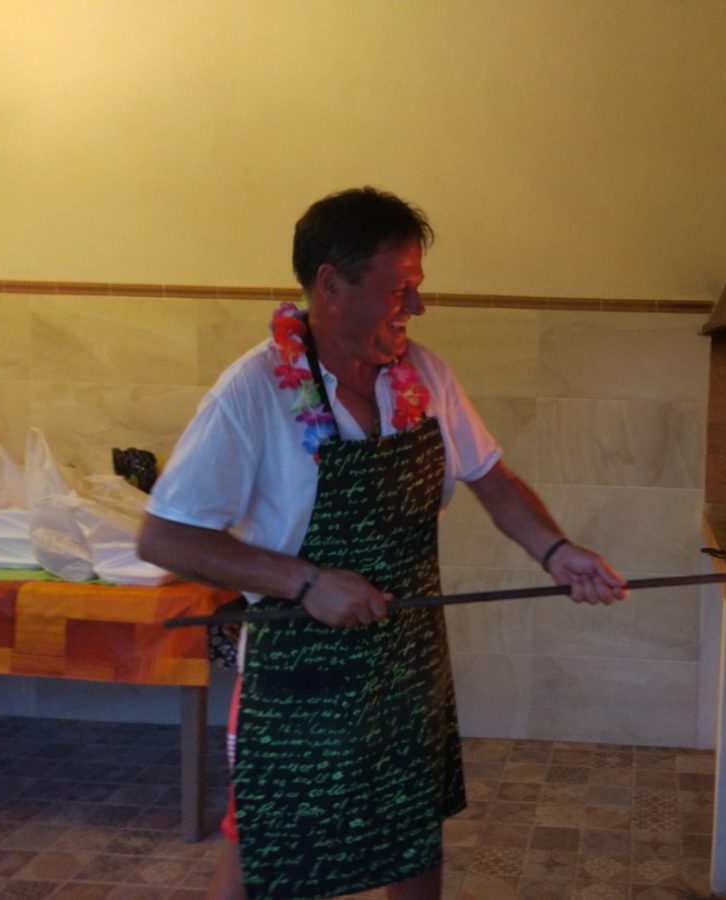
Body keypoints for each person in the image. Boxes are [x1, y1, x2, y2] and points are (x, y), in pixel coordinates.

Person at [137, 187, 628, 900]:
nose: (416, 307)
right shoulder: (251, 393)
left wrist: (556, 552)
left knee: (412, 837)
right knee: (268, 855)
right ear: (331, 285)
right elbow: (164, 536)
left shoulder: (423, 375)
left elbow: (490, 477)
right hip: (302, 681)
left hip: (407, 665)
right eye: (400, 289)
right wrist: (307, 582)